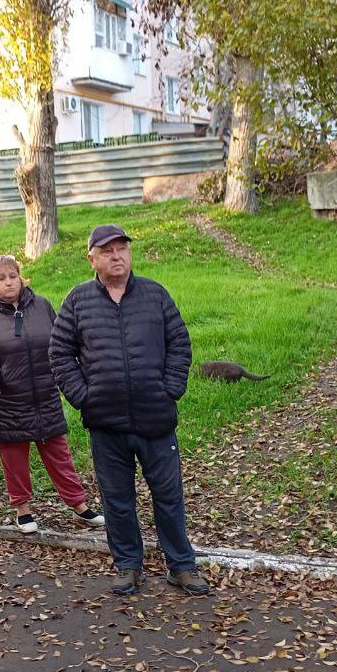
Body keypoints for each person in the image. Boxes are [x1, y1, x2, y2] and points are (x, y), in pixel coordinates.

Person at [48, 224, 207, 596]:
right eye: (107, 251)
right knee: (117, 501)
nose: (116, 256)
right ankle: (128, 565)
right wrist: (84, 396)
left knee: (168, 498)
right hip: (106, 424)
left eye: (122, 248)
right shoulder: (78, 301)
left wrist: (170, 389)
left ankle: (181, 566)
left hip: (156, 419)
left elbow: (179, 343)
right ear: (92, 259)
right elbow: (59, 353)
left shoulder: (154, 295)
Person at [0, 254, 104, 534]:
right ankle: (22, 509)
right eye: (0, 278)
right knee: (14, 456)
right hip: (7, 400)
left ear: (21, 278)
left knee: (59, 453)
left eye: (12, 276)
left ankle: (78, 505)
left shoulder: (41, 306)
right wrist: (0, 378)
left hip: (44, 396)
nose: (8, 283)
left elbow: (61, 342)